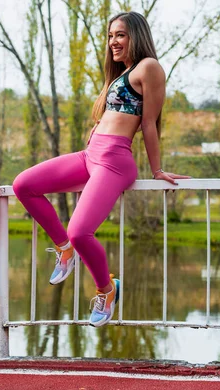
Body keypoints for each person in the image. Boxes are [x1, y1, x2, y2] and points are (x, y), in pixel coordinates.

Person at [13, 11, 189, 328]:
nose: (113, 43)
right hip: (89, 155)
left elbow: (149, 123)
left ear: (136, 35)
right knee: (23, 185)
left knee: (81, 232)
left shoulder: (149, 68)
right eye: (110, 37)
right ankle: (63, 250)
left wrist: (157, 168)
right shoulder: (121, 75)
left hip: (115, 160)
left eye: (120, 35)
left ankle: (106, 290)